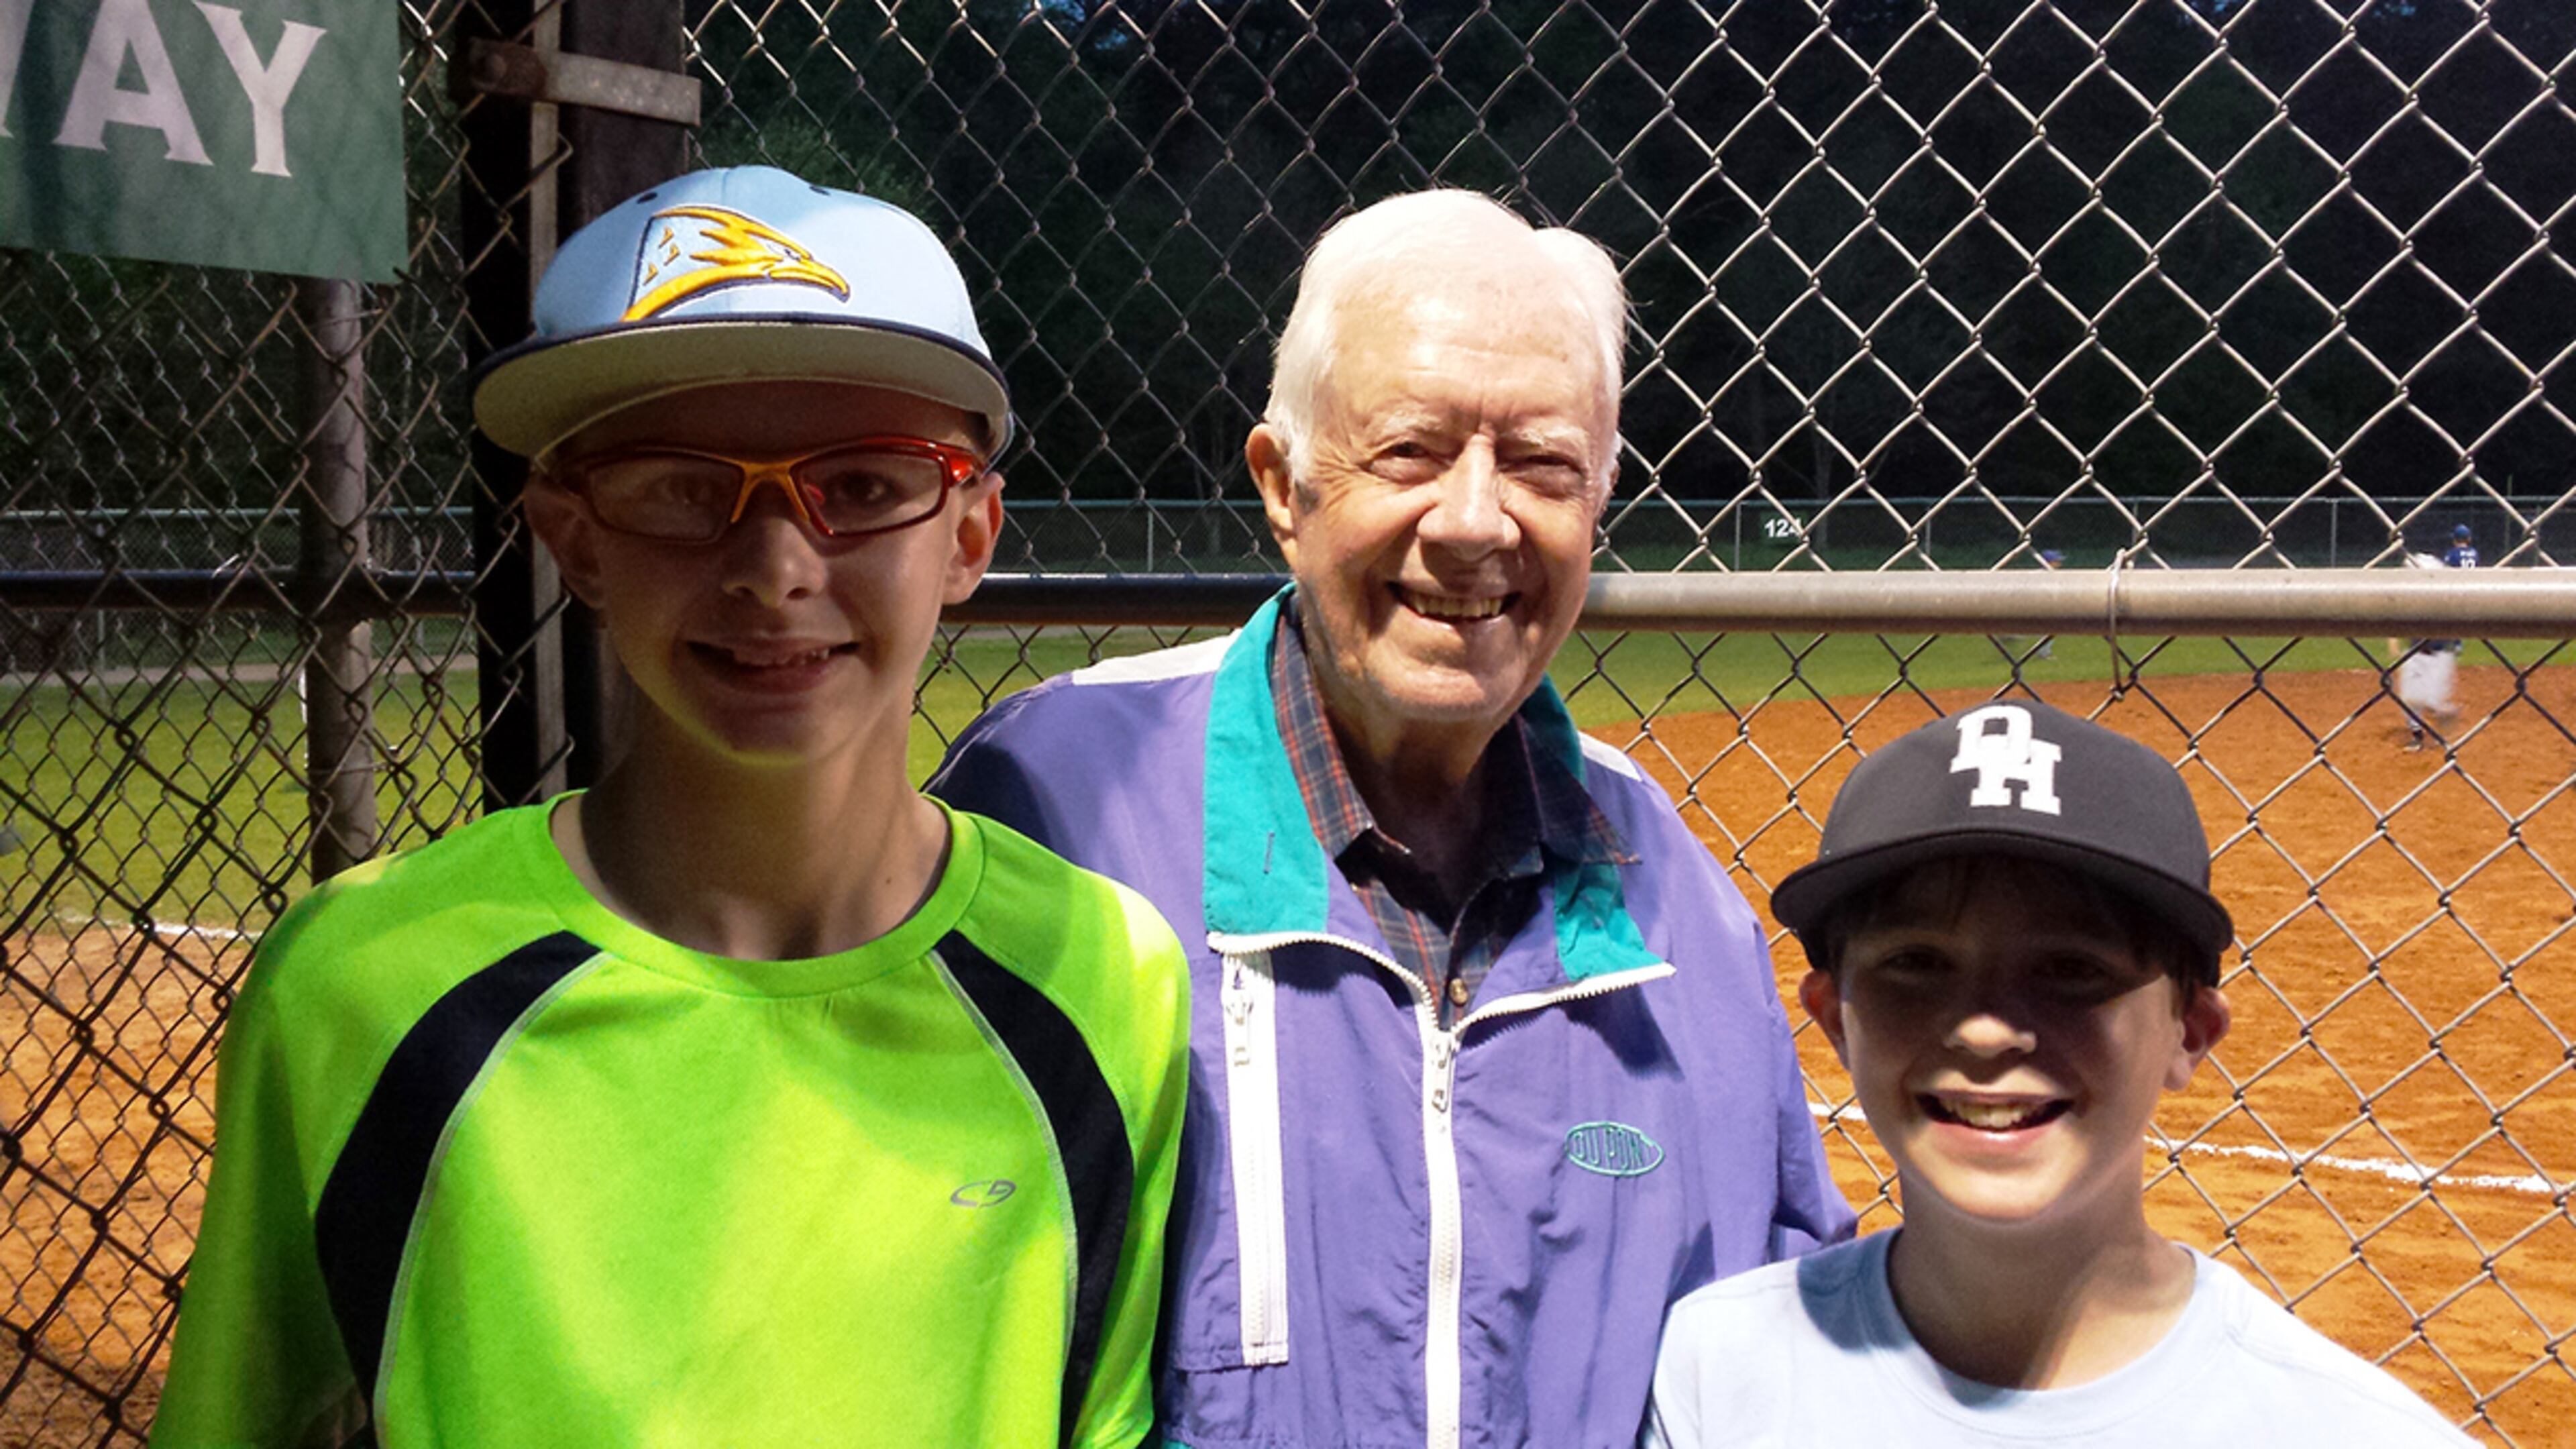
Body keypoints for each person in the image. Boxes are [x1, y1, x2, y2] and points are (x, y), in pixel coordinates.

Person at [152, 166, 1189, 1448]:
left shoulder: (1108, 980)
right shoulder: (363, 989)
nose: (774, 567)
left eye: (864, 485)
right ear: (574, 539)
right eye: (681, 487)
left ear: (969, 535)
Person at [931, 189, 1851, 1449]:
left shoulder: (1677, 899)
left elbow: (1773, 1350)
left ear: (1599, 505)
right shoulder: (1055, 800)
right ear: (1285, 485)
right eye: (1411, 450)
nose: (1474, 523)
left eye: (1541, 464)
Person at [1643, 701, 2473, 1446]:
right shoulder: (1716, 1372)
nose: (1987, 1027)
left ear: (2191, 1031)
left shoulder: (2346, 1429)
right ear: (1833, 1017)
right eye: (1918, 961)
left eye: (2071, 969)